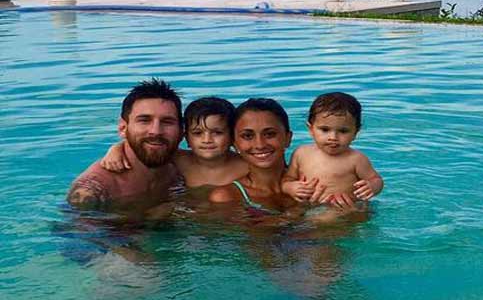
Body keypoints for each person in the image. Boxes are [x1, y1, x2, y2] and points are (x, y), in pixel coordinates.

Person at [66, 78, 184, 212]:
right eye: (144, 120)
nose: (156, 131)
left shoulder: (182, 166)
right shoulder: (93, 190)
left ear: (181, 131)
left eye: (167, 122)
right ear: (123, 128)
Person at [99, 97, 248, 188]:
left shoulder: (246, 166)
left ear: (232, 136)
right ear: (185, 137)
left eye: (217, 133)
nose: (207, 140)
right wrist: (116, 149)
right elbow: (146, 149)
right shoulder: (180, 160)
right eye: (197, 133)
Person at [282, 92, 383, 219]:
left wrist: (372, 186)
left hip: (341, 208)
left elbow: (376, 179)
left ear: (355, 132)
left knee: (323, 221)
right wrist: (291, 188)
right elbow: (288, 179)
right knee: (286, 217)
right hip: (306, 205)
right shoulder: (301, 153)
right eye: (325, 130)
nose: (333, 137)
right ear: (311, 129)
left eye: (343, 131)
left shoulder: (356, 159)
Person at [209, 98, 310, 215]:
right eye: (247, 136)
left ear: (288, 138)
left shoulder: (311, 183)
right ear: (235, 144)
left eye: (270, 134)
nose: (260, 145)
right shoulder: (227, 197)